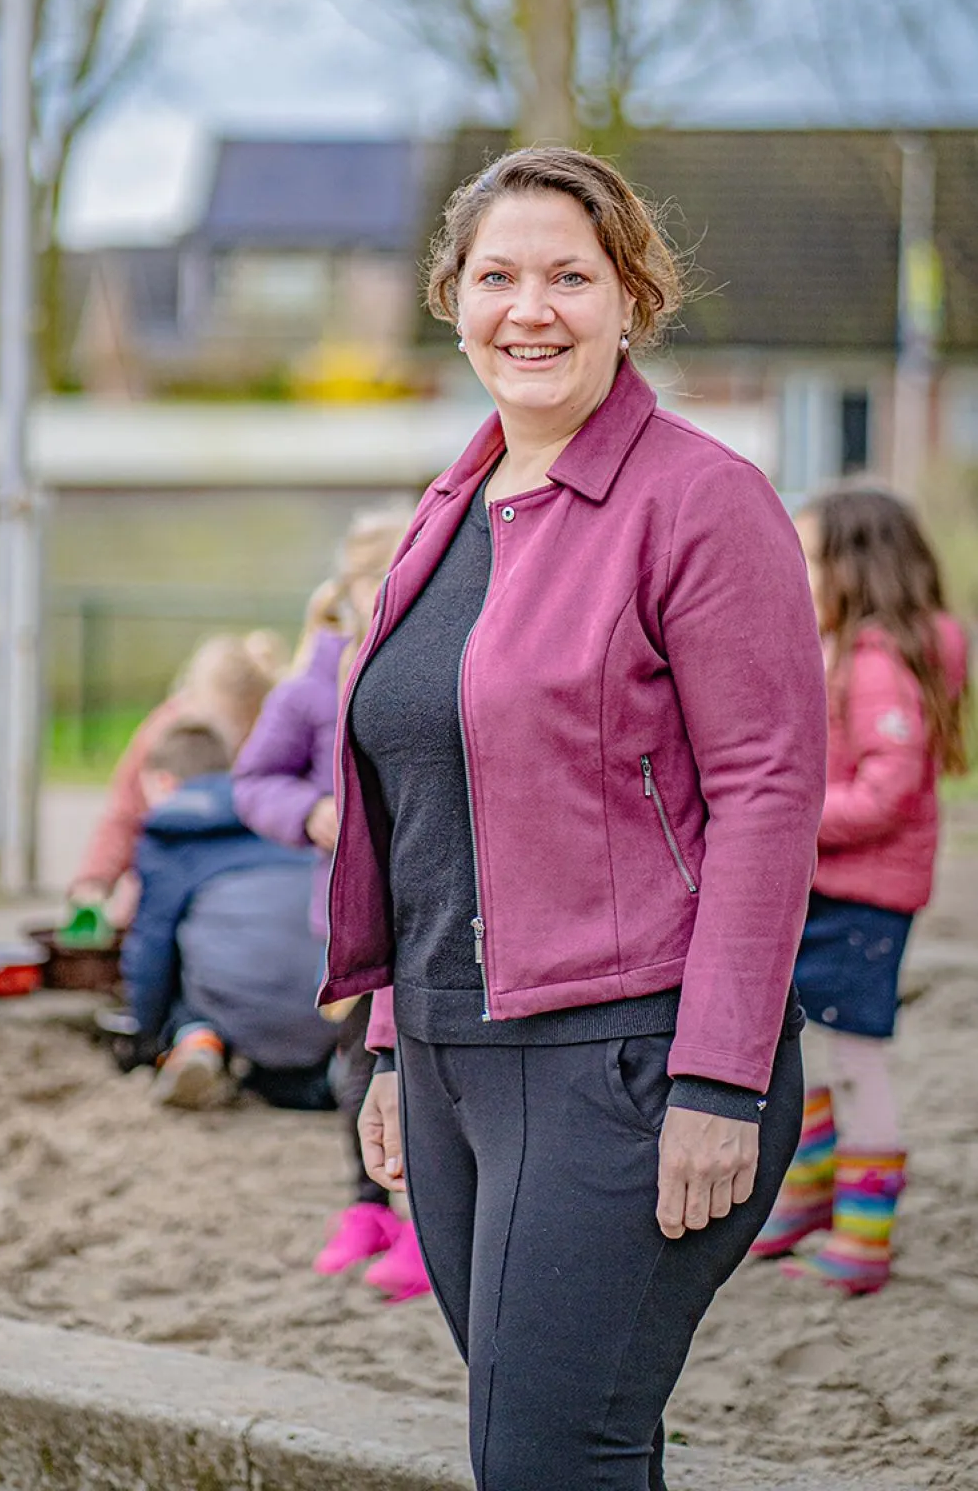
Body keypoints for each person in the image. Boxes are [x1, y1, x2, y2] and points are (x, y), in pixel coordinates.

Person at [320, 147, 828, 1491]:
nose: (529, 308)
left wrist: (720, 1081)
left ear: (630, 298)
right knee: (571, 1448)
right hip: (445, 1056)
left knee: (545, 1458)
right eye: (498, 275)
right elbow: (421, 800)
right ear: (451, 296)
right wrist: (385, 1038)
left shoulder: (702, 500)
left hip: (628, 1056)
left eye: (569, 276)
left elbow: (771, 798)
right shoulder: (445, 510)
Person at [750, 486, 969, 1293]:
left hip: (861, 898)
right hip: (835, 890)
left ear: (855, 565)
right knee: (805, 1051)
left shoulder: (877, 660)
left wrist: (787, 817)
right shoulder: (855, 647)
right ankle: (805, 1199)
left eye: (807, 558)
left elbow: (887, 789)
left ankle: (864, 1236)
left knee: (854, 1062)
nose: (795, 573)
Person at [233, 504, 423, 1295]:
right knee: (359, 1070)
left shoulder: (432, 663)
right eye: (372, 578)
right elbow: (253, 780)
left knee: (421, 1074)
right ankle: (365, 1206)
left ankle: (423, 1224)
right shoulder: (313, 683)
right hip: (350, 923)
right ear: (346, 586)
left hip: (436, 917)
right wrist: (308, 814)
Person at [120, 720, 331, 1110]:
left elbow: (151, 948)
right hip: (322, 1005)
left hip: (238, 1007)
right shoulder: (273, 814)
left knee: (187, 962)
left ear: (164, 782)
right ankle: (324, 1072)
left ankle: (196, 1039)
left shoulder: (169, 835)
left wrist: (145, 1033)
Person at [67, 631, 284, 926]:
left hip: (226, 900)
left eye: (226, 730)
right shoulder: (164, 733)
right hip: (160, 891)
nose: (208, 738)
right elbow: (123, 814)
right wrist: (94, 880)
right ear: (188, 697)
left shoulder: (266, 747)